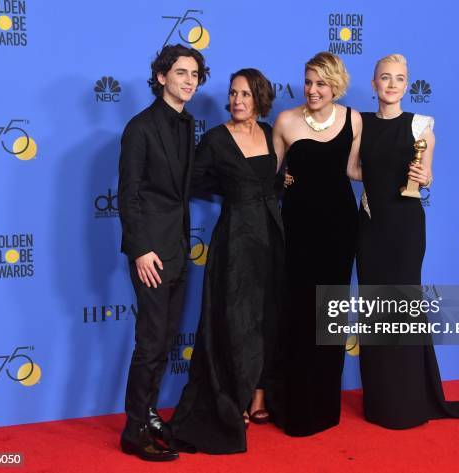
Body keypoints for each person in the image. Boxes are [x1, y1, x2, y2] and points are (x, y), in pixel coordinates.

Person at [167, 68, 286, 454]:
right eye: (233, 94)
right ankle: (232, 397)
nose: (237, 100)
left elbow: (282, 175)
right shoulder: (216, 139)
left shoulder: (272, 134)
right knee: (236, 319)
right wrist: (235, 190)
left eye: (245, 94)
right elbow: (193, 181)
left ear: (259, 99)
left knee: (270, 316)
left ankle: (260, 396)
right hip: (235, 239)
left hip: (274, 235)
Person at [355, 53, 459, 429]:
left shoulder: (422, 126)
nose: (392, 84)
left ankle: (407, 401)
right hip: (370, 225)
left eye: (399, 79)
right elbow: (353, 169)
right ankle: (380, 400)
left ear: (407, 86)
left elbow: (428, 176)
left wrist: (424, 176)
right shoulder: (359, 123)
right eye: (385, 78)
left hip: (406, 226)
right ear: (374, 83)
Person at [117, 44, 209, 461]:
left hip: (178, 245)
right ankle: (133, 429)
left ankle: (150, 412)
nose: (189, 80)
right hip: (151, 251)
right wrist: (140, 250)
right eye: (181, 73)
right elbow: (129, 194)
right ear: (161, 78)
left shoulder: (188, 124)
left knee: (167, 338)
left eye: (194, 74)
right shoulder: (140, 128)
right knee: (150, 341)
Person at [272, 52, 362, 437]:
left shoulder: (353, 119)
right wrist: (282, 183)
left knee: (329, 318)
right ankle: (293, 407)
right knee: (297, 314)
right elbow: (268, 175)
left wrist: (410, 170)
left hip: (340, 230)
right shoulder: (286, 121)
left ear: (335, 85)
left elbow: (354, 171)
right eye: (308, 82)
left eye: (321, 83)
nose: (312, 89)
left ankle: (325, 407)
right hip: (296, 230)